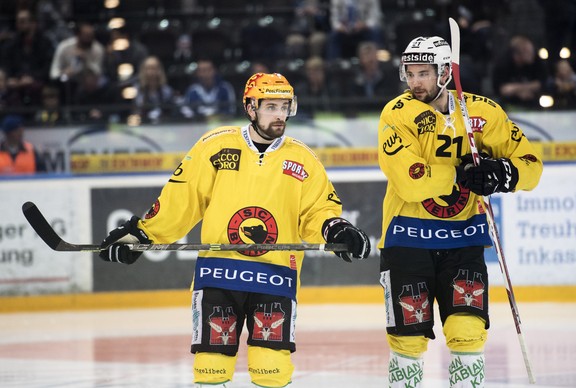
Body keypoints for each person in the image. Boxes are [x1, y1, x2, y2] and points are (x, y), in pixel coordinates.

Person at [97, 72, 371, 388]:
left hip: (275, 276)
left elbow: (318, 211)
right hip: (219, 273)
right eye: (271, 106)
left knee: (272, 370)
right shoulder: (215, 146)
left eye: (285, 107)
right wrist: (141, 234)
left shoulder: (303, 159)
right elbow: (181, 201)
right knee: (211, 369)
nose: (280, 115)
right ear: (251, 108)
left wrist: (336, 229)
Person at [377, 36, 543, 387]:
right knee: (408, 339)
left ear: (446, 73)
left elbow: (531, 165)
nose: (415, 81)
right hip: (407, 238)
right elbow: (410, 182)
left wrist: (502, 173)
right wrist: (460, 172)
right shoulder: (397, 113)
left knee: (467, 333)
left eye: (424, 72)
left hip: (463, 239)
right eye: (410, 73)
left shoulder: (483, 113)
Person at [492, 35, 549, 110]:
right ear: (517, 55)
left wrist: (517, 89)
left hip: (534, 103)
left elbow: (541, 83)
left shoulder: (536, 61)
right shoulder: (503, 64)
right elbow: (503, 90)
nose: (532, 54)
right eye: (527, 52)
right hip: (508, 105)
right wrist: (524, 90)